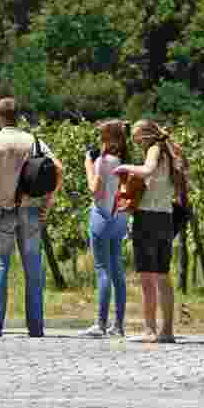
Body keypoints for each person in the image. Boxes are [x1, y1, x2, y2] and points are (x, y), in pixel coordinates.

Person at [0, 98, 63, 338]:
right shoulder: (33, 141)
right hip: (31, 209)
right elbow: (58, 167)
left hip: (2, 209)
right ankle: (35, 326)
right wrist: (49, 201)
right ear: (18, 116)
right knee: (33, 268)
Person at [113, 120, 188, 344]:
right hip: (165, 218)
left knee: (147, 277)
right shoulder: (170, 152)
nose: (136, 143)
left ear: (146, 136)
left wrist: (125, 168)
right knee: (163, 276)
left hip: (147, 219)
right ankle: (167, 331)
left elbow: (147, 170)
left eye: (137, 138)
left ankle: (149, 330)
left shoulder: (155, 150)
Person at [82, 120, 130, 337]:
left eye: (101, 136)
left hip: (101, 216)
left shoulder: (103, 161)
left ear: (108, 139)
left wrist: (88, 165)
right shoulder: (124, 161)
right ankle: (119, 325)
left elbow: (96, 191)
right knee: (118, 271)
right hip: (119, 218)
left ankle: (100, 324)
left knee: (102, 270)